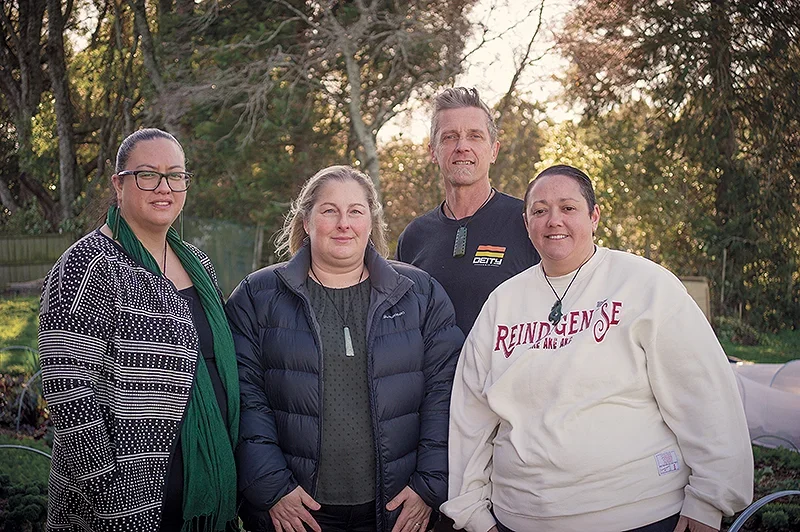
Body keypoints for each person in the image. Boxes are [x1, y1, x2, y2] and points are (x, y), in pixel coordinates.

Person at [442, 164, 754, 532]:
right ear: (527, 225)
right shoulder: (502, 304)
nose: (553, 220)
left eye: (568, 208)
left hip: (640, 514)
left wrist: (709, 500)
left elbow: (704, 391)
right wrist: (473, 513)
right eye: (540, 211)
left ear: (594, 216)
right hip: (520, 517)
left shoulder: (644, 285)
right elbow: (470, 416)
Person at [226, 165, 464, 532]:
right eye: (329, 211)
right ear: (306, 221)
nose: (343, 223)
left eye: (355, 211)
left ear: (371, 221)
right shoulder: (258, 297)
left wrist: (428, 488)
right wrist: (271, 488)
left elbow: (444, 396)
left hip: (395, 509)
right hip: (297, 512)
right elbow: (243, 399)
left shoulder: (420, 294)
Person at [39, 128, 240, 531]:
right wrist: (110, 493)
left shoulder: (198, 263)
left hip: (201, 494)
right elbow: (68, 390)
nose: (164, 187)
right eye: (147, 174)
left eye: (176, 175)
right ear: (119, 183)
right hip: (123, 504)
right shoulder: (89, 265)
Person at [396, 87, 540, 336]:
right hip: (435, 376)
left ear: (494, 150)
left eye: (474, 136)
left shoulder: (526, 224)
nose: (462, 146)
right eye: (450, 137)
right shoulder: (414, 237)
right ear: (433, 151)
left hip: (504, 374)